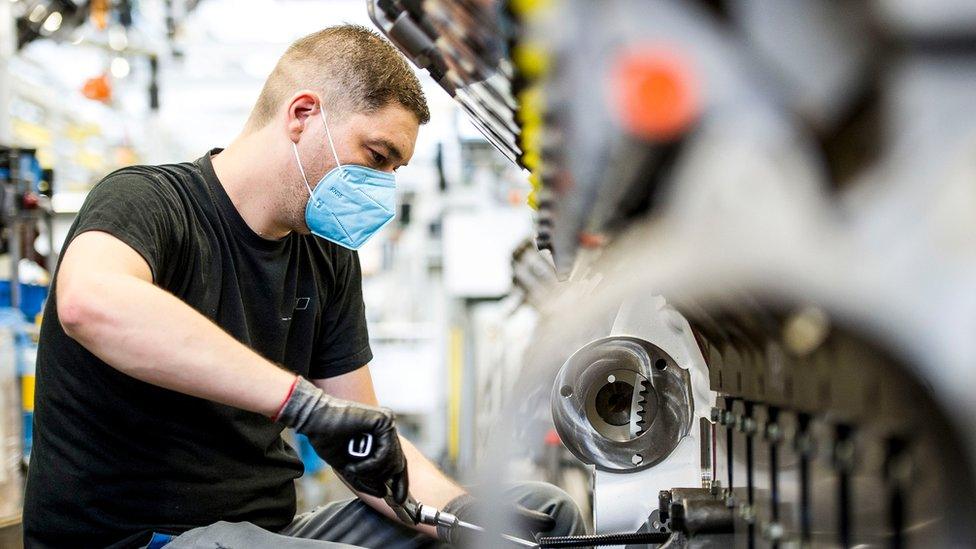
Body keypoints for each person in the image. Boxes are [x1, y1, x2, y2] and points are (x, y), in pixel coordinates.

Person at [23, 25, 584, 548]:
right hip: (148, 539)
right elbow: (87, 303)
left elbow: (364, 446)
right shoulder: (148, 203)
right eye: (377, 156)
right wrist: (299, 401)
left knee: (541, 515)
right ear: (302, 114)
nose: (383, 187)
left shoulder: (328, 258)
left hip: (268, 533)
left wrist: (461, 515)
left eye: (395, 169)